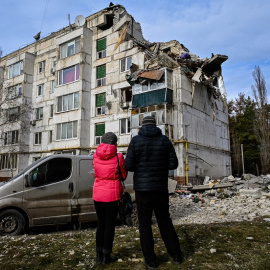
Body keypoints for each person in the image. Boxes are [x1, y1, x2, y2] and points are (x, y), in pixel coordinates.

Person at [124, 116, 184, 268]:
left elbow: (128, 165)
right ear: (155, 125)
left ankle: (150, 261)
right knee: (165, 221)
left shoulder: (135, 141)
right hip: (160, 188)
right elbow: (174, 164)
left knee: (144, 224)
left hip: (142, 190)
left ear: (142, 126)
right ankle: (176, 255)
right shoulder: (164, 140)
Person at [93, 132, 127, 264]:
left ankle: (98, 255)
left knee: (101, 224)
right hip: (112, 195)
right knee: (109, 226)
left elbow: (97, 172)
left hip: (97, 194)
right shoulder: (118, 157)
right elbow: (123, 176)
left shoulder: (95, 155)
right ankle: (106, 256)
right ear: (115, 143)